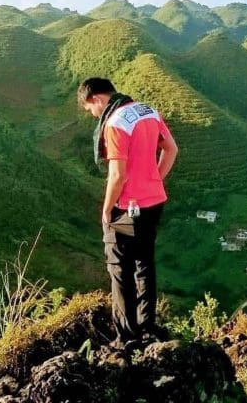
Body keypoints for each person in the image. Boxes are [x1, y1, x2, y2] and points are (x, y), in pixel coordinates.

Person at [77, 77, 179, 347]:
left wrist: (106, 209)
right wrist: (153, 179)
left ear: (96, 99)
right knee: (144, 264)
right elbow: (171, 149)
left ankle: (126, 338)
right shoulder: (148, 111)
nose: (93, 114)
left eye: (90, 109)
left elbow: (118, 174)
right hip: (154, 201)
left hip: (127, 208)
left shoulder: (115, 123)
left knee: (119, 269)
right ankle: (147, 327)